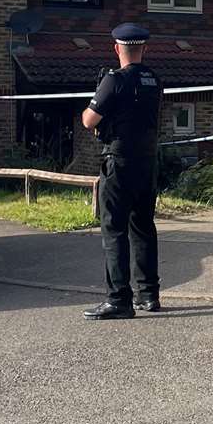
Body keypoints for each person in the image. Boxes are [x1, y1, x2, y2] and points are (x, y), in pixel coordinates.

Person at [80, 23, 164, 320]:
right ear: (144, 49)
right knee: (143, 227)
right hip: (148, 162)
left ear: (117, 48)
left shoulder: (113, 81)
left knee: (114, 229)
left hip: (120, 161)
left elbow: (89, 120)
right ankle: (148, 294)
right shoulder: (154, 79)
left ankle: (118, 299)